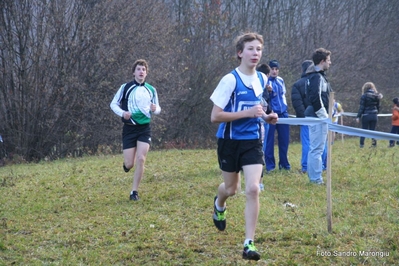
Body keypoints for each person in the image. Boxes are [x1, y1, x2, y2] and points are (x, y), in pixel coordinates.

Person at [209, 32, 278, 261]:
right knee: (231, 189)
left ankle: (249, 243)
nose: (255, 53)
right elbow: (215, 116)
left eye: (258, 49)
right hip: (229, 142)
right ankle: (219, 205)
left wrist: (267, 117)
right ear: (240, 53)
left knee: (253, 189)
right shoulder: (229, 80)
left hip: (252, 142)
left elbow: (260, 109)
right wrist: (246, 113)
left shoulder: (262, 79)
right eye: (250, 49)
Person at [110, 59, 161, 201]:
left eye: (143, 69)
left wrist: (155, 109)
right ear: (134, 72)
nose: (141, 72)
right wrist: (123, 113)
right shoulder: (125, 87)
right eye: (138, 69)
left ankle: (134, 192)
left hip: (145, 129)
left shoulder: (151, 89)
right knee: (130, 163)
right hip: (129, 129)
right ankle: (127, 165)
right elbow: (113, 104)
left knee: (141, 159)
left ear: (146, 73)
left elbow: (157, 108)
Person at [291, 60, 327, 174]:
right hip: (319, 115)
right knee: (321, 142)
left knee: (307, 143)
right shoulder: (320, 80)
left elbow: (298, 104)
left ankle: (306, 167)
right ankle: (323, 165)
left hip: (307, 117)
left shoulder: (297, 84)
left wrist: (303, 118)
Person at [304, 48, 332, 185]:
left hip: (317, 116)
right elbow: (316, 98)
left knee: (316, 148)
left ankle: (315, 177)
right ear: (322, 61)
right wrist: (324, 116)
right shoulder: (316, 77)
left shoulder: (319, 76)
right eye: (328, 60)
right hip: (317, 117)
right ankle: (315, 179)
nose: (330, 63)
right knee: (316, 149)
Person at [264, 60, 290, 173]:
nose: (274, 71)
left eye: (276, 69)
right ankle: (270, 166)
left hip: (283, 113)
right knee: (269, 141)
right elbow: (263, 98)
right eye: (272, 69)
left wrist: (285, 108)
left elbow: (283, 96)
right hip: (271, 114)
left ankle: (284, 165)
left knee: (284, 140)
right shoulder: (265, 81)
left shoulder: (281, 80)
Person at [256, 63, 272, 190]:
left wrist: (268, 116)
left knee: (260, 153)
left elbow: (265, 110)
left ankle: (260, 183)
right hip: (251, 128)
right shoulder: (256, 92)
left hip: (260, 127)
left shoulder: (264, 93)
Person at [355, 82, 382, 148]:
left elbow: (362, 107)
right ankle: (374, 145)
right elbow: (378, 106)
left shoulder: (364, 96)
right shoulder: (377, 96)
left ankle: (362, 145)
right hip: (374, 115)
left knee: (364, 130)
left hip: (366, 115)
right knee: (373, 130)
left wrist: (358, 116)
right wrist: (376, 113)